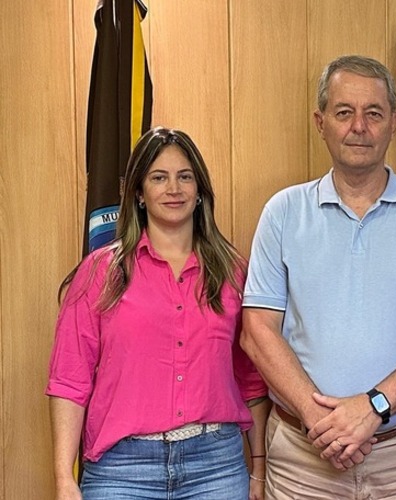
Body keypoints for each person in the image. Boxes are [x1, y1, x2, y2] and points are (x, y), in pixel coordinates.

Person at [239, 54, 396, 499]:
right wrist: (323, 421)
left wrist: (373, 408)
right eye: (344, 112)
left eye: (373, 113)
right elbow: (256, 332)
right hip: (303, 460)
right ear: (320, 121)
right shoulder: (283, 213)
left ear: (394, 124)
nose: (359, 126)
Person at [47, 127, 271, 500]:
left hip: (215, 467)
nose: (174, 189)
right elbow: (70, 381)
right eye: (159, 178)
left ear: (200, 192)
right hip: (121, 472)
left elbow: (251, 379)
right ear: (138, 193)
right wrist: (63, 479)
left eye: (185, 177)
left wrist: (259, 466)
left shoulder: (233, 273)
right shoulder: (99, 273)